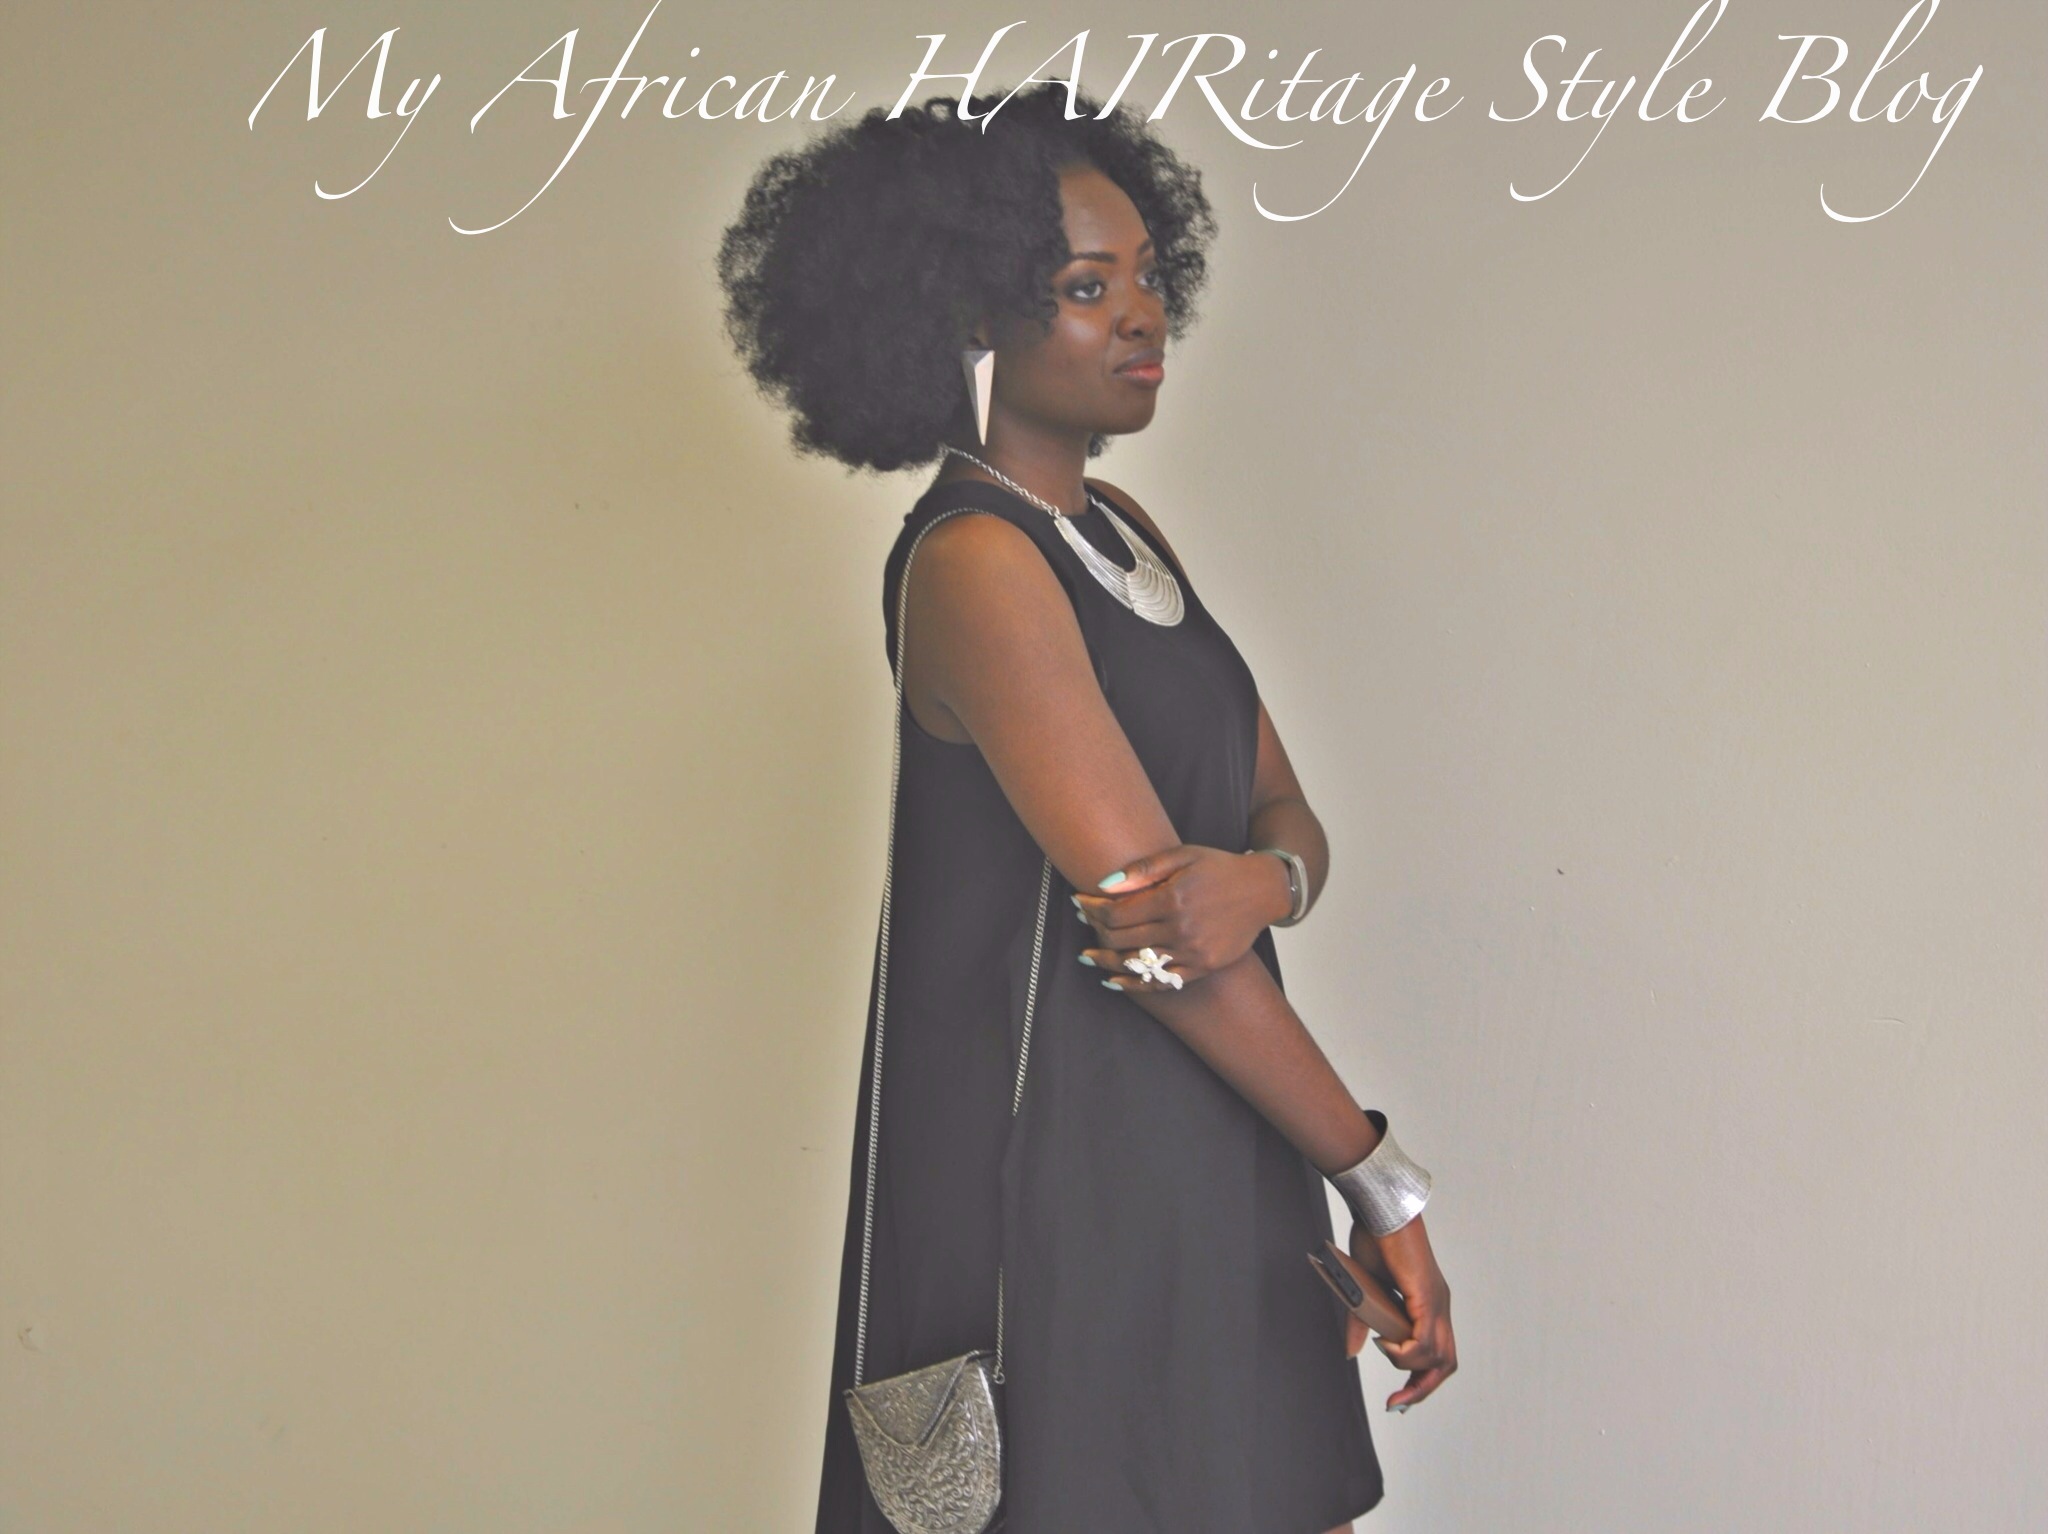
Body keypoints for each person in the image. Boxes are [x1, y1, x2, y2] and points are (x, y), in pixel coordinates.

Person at [716, 82, 1457, 1534]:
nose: (1142, 315)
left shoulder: (1122, 534)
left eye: (1148, 277)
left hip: (1224, 1147)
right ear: (966, 316)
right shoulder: (977, 562)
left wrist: (1264, 884)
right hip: (1063, 1194)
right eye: (1084, 286)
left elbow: (1284, 813)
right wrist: (1382, 1180)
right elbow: (1161, 938)